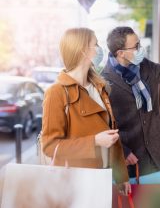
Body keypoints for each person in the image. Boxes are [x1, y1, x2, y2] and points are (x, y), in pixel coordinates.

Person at [41, 27, 131, 195]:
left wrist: (121, 176)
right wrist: (94, 141)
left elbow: (112, 135)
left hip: (103, 177)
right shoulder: (56, 92)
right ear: (82, 50)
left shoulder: (100, 86)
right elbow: (49, 146)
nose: (99, 49)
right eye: (95, 44)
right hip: (76, 183)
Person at [101, 26, 160, 179]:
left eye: (139, 43)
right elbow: (102, 125)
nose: (140, 49)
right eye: (136, 46)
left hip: (158, 156)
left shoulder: (144, 66)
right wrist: (122, 151)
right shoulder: (104, 82)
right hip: (132, 160)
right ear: (120, 53)